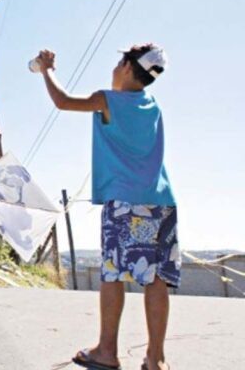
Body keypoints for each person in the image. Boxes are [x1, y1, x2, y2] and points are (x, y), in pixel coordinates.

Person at [35, 44, 177, 370]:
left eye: (118, 62)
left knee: (113, 275)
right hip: (162, 201)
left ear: (127, 66)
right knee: (156, 280)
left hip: (125, 203)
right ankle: (156, 358)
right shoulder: (152, 105)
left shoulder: (109, 99)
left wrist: (47, 70)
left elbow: (63, 102)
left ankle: (107, 351)